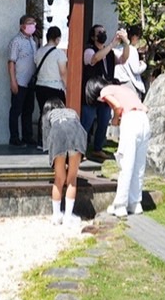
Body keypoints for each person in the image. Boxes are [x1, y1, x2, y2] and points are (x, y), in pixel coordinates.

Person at [97, 76, 150, 218]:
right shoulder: (127, 90)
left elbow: (118, 107)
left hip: (131, 120)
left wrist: (114, 122)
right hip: (144, 120)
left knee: (126, 165)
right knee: (139, 166)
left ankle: (120, 206)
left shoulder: (105, 90)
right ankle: (135, 203)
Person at [42, 95, 86, 225]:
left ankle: (56, 215)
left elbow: (47, 141)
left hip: (58, 135)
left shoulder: (48, 116)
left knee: (59, 178)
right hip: (77, 135)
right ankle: (68, 216)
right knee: (72, 178)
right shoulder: (72, 111)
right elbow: (77, 126)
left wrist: (53, 157)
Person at [81, 24, 119, 159]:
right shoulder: (89, 51)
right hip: (91, 93)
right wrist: (111, 45)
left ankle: (98, 148)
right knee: (87, 121)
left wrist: (125, 43)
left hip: (106, 92)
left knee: (104, 121)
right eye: (99, 33)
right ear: (93, 36)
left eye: (104, 32)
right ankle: (80, 150)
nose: (102, 34)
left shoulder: (110, 53)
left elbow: (123, 60)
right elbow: (94, 59)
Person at [32, 27, 68, 148]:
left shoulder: (39, 52)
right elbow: (63, 72)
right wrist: (67, 87)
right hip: (55, 87)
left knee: (43, 113)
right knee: (57, 115)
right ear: (57, 39)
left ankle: (41, 142)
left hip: (40, 87)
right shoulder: (59, 54)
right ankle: (55, 142)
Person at [6, 15, 39, 147]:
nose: (32, 25)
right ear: (22, 26)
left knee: (28, 110)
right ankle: (14, 137)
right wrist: (13, 81)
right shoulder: (16, 41)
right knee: (16, 110)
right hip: (19, 81)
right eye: (29, 23)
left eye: (33, 23)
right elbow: (11, 62)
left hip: (30, 82)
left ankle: (27, 136)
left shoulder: (33, 41)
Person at [112, 29, 146, 98]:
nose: (138, 40)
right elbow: (136, 70)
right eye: (138, 38)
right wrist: (143, 65)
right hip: (128, 83)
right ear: (134, 37)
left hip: (117, 82)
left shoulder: (116, 48)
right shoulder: (132, 50)